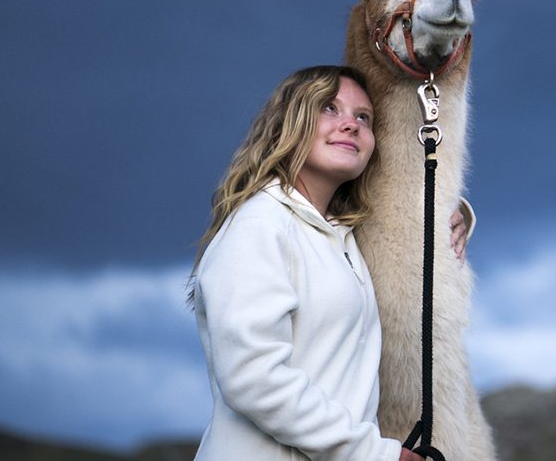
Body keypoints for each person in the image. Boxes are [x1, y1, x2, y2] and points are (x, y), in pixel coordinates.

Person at [189, 65, 458, 461]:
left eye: (363, 117)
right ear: (290, 123)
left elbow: (399, 230)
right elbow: (253, 378)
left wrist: (453, 215)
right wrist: (378, 455)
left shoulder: (341, 239)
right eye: (330, 108)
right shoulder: (260, 226)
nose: (350, 125)